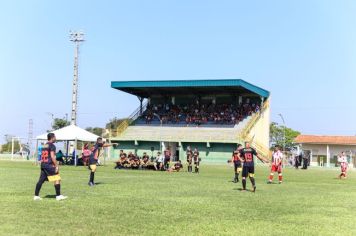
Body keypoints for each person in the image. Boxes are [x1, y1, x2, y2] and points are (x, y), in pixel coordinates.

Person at [34, 133, 67, 201]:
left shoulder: (45, 145)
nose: (56, 138)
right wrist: (56, 165)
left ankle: (36, 196)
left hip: (43, 164)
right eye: (55, 137)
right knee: (57, 178)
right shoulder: (52, 145)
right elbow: (52, 156)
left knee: (41, 180)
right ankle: (58, 196)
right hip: (49, 164)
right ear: (52, 138)